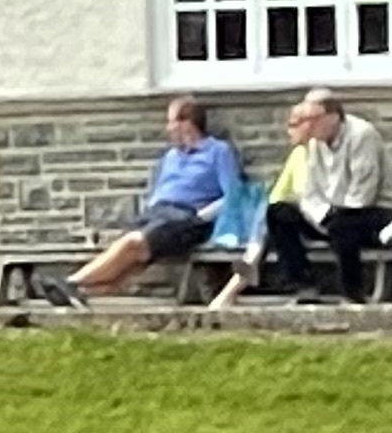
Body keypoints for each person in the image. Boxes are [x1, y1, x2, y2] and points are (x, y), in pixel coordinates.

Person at [35, 97, 239, 306]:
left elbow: (234, 195)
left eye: (171, 122)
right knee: (128, 264)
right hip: (157, 213)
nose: (168, 128)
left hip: (187, 217)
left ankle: (72, 282)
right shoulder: (170, 157)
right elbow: (157, 190)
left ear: (187, 123)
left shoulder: (217, 151)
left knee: (134, 243)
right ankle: (79, 294)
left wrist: (201, 217)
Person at [231, 87, 392, 304]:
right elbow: (309, 192)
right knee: (279, 213)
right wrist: (322, 215)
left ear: (333, 117)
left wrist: (332, 215)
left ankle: (352, 293)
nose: (308, 126)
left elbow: (363, 192)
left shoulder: (362, 135)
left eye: (313, 119)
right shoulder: (313, 143)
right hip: (331, 212)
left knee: (343, 224)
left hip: (377, 210)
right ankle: (302, 286)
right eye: (305, 120)